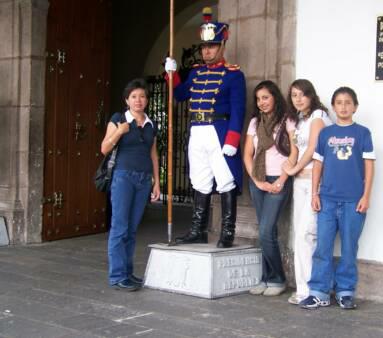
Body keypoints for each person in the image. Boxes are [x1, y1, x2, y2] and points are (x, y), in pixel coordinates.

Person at [165, 7, 246, 248]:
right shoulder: (196, 73)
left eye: (212, 46)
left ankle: (227, 232)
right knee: (199, 180)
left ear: (222, 47)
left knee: (225, 181)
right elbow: (179, 95)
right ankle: (198, 230)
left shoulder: (233, 75)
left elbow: (238, 108)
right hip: (197, 130)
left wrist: (232, 139)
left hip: (219, 130)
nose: (207, 51)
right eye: (204, 47)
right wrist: (172, 74)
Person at [299, 87, 375, 309]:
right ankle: (319, 291)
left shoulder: (363, 133)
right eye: (339, 103)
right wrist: (315, 193)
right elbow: (318, 165)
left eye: (348, 102)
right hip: (327, 201)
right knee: (323, 246)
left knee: (350, 247)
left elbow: (369, 167)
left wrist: (366, 196)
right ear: (333, 107)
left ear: (355, 106)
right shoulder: (325, 134)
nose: (343, 106)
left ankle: (345, 290)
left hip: (353, 201)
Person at [101, 78, 160, 291]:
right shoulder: (119, 119)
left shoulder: (151, 123)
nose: (138, 100)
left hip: (144, 179)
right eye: (134, 96)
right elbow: (104, 148)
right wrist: (119, 131)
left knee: (132, 229)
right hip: (123, 177)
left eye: (142, 96)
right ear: (127, 99)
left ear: (147, 100)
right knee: (120, 227)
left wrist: (157, 182)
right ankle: (117, 276)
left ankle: (127, 272)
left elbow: (153, 153)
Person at [243, 80, 298, 297]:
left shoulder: (288, 121)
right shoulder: (255, 123)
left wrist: (282, 179)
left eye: (265, 97)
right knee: (267, 231)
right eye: (258, 99)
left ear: (275, 96)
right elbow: (248, 154)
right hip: (258, 180)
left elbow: (294, 152)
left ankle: (278, 279)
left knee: (266, 230)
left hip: (279, 179)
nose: (261, 102)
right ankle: (266, 278)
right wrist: (256, 180)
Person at [282, 79, 332, 305]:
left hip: (315, 183)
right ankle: (304, 288)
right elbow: (297, 149)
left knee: (307, 234)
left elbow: (313, 149)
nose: (298, 99)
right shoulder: (300, 120)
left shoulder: (318, 116)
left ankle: (313, 290)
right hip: (299, 183)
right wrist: (288, 168)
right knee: (300, 235)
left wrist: (294, 168)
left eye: (302, 94)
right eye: (294, 95)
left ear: (311, 95)